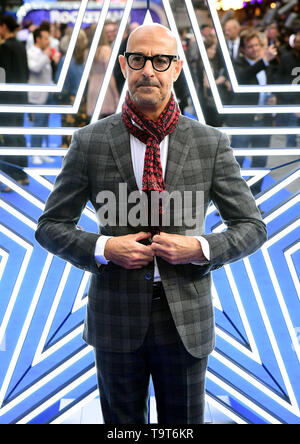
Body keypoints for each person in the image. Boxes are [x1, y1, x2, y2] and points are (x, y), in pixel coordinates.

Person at [35, 24, 267, 424]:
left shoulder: (209, 142)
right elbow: (51, 225)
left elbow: (251, 225)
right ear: (124, 65)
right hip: (114, 315)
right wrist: (104, 248)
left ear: (176, 68)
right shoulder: (89, 142)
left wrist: (201, 248)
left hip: (186, 319)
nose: (149, 71)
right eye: (139, 59)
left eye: (161, 60)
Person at [228, 30, 278, 195]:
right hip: (244, 122)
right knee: (237, 163)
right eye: (250, 46)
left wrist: (273, 98)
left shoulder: (266, 66)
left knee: (260, 162)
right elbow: (244, 77)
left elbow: (269, 87)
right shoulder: (238, 65)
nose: (254, 49)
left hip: (264, 121)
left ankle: (255, 199)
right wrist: (264, 61)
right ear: (243, 49)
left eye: (257, 45)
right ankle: (234, 201)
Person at [0, 14, 29, 192]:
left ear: (4, 26)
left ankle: (12, 178)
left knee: (9, 137)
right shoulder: (20, 46)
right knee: (18, 135)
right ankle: (22, 175)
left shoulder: (5, 48)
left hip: (7, 98)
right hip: (20, 96)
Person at [27, 26, 57, 164]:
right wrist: (46, 55)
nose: (48, 41)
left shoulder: (44, 53)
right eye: (45, 38)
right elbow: (35, 68)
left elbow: (47, 74)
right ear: (38, 39)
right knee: (38, 124)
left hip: (47, 94)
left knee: (45, 124)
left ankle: (42, 151)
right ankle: (35, 154)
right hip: (37, 96)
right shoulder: (31, 52)